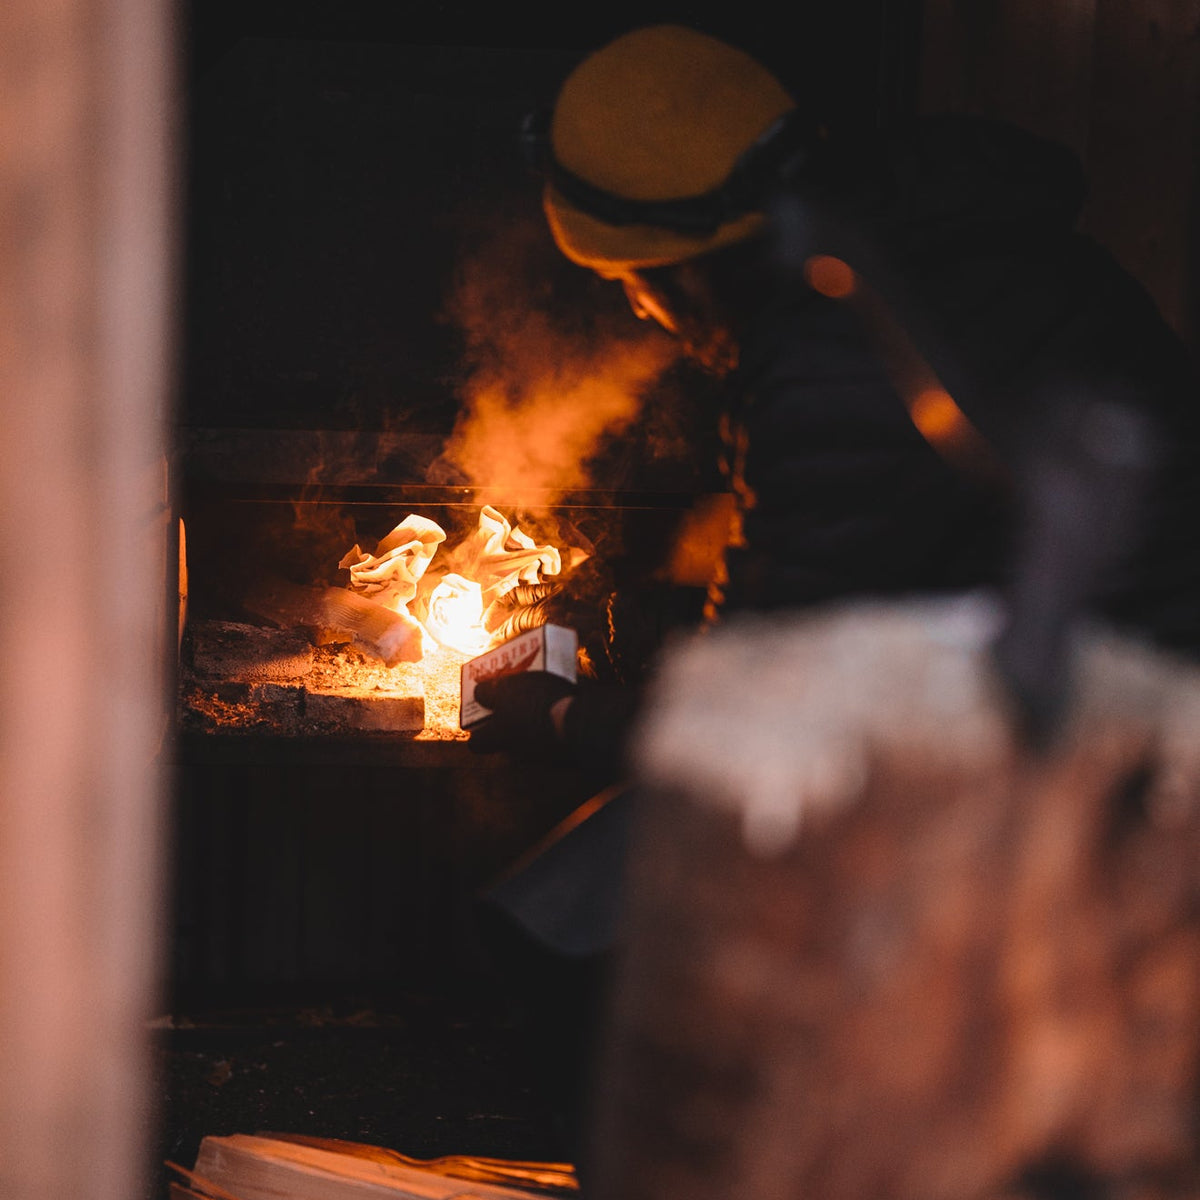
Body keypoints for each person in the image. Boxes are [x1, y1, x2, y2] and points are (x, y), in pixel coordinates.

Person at [468, 20, 1200, 1163]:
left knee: (575, 926)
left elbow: (761, 699)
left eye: (630, 285)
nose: (637, 315)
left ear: (686, 259)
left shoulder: (836, 345)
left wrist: (562, 716)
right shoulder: (945, 231)